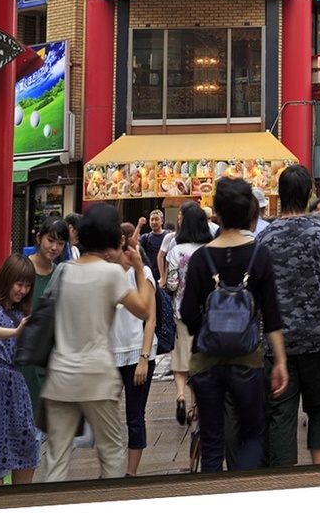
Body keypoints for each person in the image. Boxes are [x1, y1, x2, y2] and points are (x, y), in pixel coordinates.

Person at [39, 203, 154, 481]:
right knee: (111, 452)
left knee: (56, 458)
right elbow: (143, 310)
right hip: (97, 376)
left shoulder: (64, 270)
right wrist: (139, 268)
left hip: (60, 375)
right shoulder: (110, 274)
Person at [180, 177, 288, 471]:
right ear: (250, 213)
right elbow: (272, 316)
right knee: (252, 436)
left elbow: (187, 312)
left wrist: (208, 331)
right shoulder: (259, 254)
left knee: (212, 442)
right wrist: (280, 361)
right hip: (247, 361)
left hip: (205, 362)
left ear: (216, 213)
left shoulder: (201, 258)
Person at [257, 163, 320, 467]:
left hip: (277, 342)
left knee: (281, 413)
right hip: (319, 338)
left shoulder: (264, 237)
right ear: (310, 193)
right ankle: (317, 473)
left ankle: (286, 479)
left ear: (280, 194)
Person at [107, 222, 158, 476]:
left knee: (134, 416)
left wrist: (144, 358)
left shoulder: (143, 272)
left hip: (138, 351)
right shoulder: (106, 275)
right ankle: (110, 470)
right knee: (105, 417)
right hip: (110, 354)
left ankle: (130, 474)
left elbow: (151, 318)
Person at [0, 253, 39, 486]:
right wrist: (17, 332)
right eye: (19, 284)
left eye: (28, 286)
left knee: (27, 442)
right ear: (7, 279)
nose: (23, 291)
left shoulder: (21, 312)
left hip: (17, 384)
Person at [165, 202, 213, 425]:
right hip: (206, 312)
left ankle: (180, 396)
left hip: (181, 311)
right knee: (199, 359)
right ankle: (196, 405)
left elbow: (172, 283)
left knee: (180, 358)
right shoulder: (210, 249)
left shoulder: (177, 250)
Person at [21, 215, 70, 422]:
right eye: (50, 240)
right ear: (39, 237)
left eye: (60, 243)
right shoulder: (21, 268)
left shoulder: (61, 275)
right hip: (20, 356)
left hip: (47, 360)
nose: (54, 247)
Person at [138, 209, 166, 283]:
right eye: (152, 220)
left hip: (165, 275)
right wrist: (139, 226)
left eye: (156, 219)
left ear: (162, 221)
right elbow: (134, 244)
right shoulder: (146, 237)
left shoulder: (168, 236)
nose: (154, 222)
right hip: (150, 274)